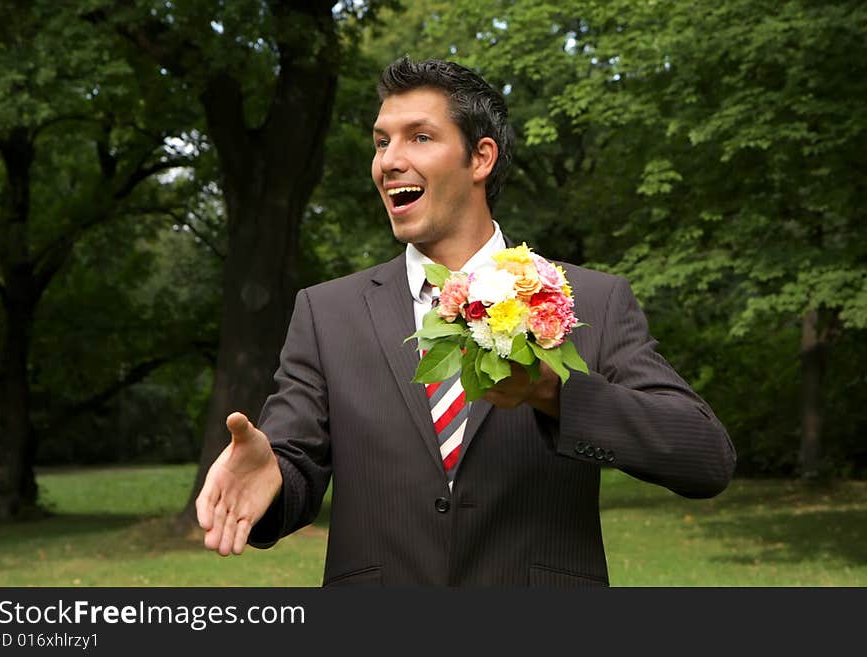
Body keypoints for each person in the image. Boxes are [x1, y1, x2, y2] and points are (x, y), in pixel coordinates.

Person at [195, 57, 736, 587]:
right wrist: (273, 476)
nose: (389, 161)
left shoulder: (592, 300)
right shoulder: (326, 312)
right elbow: (293, 468)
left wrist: (556, 395)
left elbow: (705, 459)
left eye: (419, 137)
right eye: (382, 141)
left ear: (481, 159)